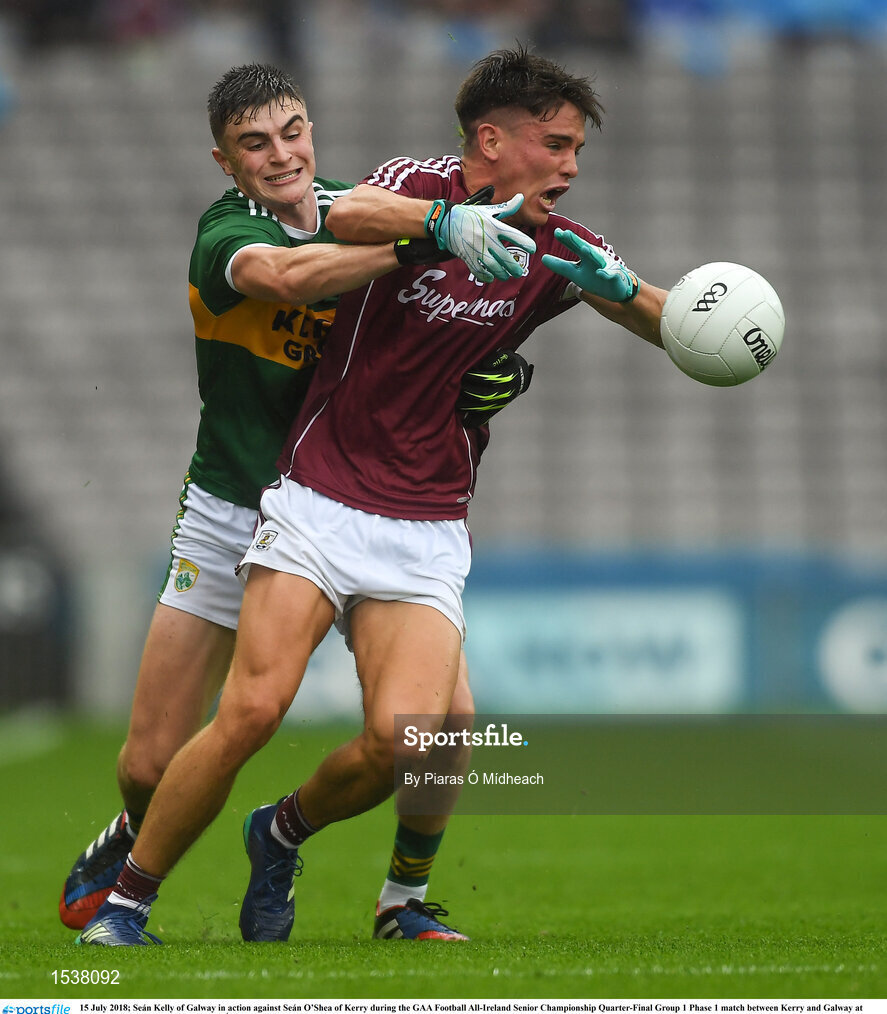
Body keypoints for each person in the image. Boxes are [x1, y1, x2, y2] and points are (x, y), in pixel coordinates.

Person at [77, 44, 670, 948]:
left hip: (406, 511)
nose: (281, 154)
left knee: (436, 728)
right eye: (255, 143)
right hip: (252, 496)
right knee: (173, 753)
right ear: (226, 161)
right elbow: (303, 263)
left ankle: (374, 884)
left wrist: (607, 310)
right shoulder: (248, 227)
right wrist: (436, 231)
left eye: (293, 132)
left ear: (312, 131)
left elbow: (650, 318)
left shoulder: (500, 230)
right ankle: (129, 863)